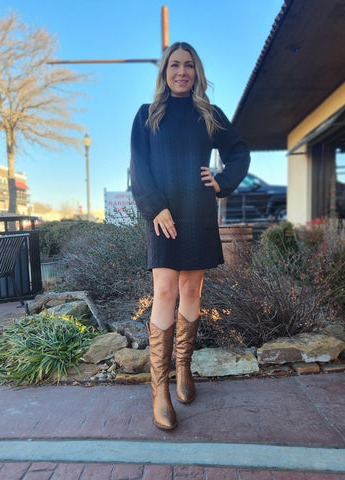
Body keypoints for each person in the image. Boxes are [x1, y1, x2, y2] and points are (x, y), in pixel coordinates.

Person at [130, 42, 250, 430]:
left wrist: (222, 181)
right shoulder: (147, 115)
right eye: (174, 65)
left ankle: (184, 368)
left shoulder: (209, 114)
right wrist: (155, 208)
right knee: (165, 289)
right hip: (162, 213)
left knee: (193, 290)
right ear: (164, 71)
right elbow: (139, 168)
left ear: (196, 72)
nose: (181, 71)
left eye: (188, 66)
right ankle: (159, 390)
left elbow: (239, 152)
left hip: (198, 209)